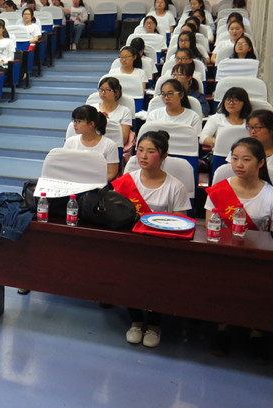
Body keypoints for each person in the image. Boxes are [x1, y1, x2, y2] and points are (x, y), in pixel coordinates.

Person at [111, 130, 190, 348]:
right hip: (131, 245)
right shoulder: (126, 182)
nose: (143, 156)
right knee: (128, 273)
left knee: (158, 277)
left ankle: (155, 324)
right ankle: (136, 320)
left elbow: (180, 226)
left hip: (161, 249)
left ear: (164, 155)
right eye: (140, 150)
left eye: (151, 151)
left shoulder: (175, 187)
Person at [205, 137, 273, 359]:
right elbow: (211, 227)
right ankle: (222, 328)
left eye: (246, 159)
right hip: (223, 256)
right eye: (234, 159)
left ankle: (257, 332)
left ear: (260, 162)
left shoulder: (270, 195)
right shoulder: (219, 190)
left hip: (258, 260)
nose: (238, 164)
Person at [63, 105, 119, 181]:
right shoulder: (70, 142)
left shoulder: (109, 145)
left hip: (98, 184)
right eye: (74, 120)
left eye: (78, 121)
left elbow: (111, 173)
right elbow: (65, 166)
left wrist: (93, 183)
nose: (74, 124)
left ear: (91, 124)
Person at [95, 76, 132, 148]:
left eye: (107, 90)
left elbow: (124, 139)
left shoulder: (125, 111)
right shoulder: (92, 108)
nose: (103, 92)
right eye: (101, 89)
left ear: (116, 92)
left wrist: (108, 122)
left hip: (114, 147)